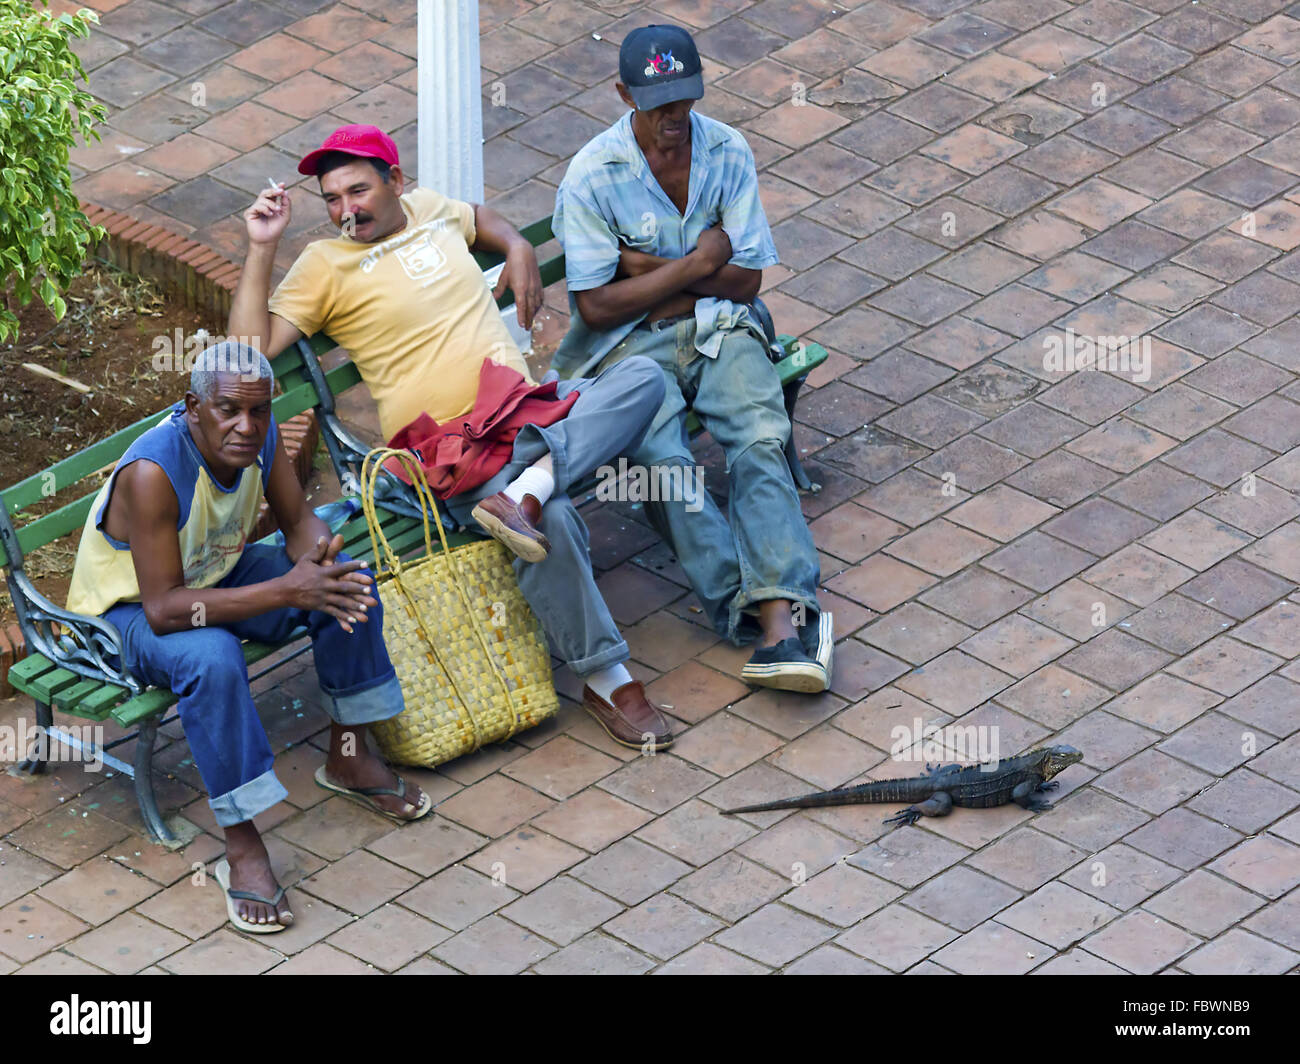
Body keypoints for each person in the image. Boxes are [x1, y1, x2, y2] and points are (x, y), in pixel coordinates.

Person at [227, 124, 676, 751]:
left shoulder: (430, 210)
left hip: (523, 414)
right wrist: (261, 246)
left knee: (644, 377)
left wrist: (517, 245)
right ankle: (607, 674)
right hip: (449, 456)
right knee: (556, 518)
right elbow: (246, 357)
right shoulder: (323, 266)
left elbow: (479, 218)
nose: (346, 209)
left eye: (358, 190)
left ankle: (528, 487)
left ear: (397, 183)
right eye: (331, 199)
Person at [64, 342, 428, 934]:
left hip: (216, 576)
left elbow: (297, 523)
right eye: (228, 410)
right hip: (129, 615)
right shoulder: (153, 473)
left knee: (350, 584)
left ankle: (351, 757)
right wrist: (289, 592)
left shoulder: (258, 439)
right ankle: (242, 843)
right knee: (213, 657)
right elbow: (164, 610)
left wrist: (320, 560)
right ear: (192, 406)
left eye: (258, 412)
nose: (247, 426)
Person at [553, 24, 833, 693]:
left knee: (760, 440)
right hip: (626, 352)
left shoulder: (728, 152)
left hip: (721, 326)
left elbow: (745, 284)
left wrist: (657, 270)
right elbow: (596, 310)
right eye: (658, 105)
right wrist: (705, 258)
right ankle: (758, 610)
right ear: (624, 94)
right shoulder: (592, 174)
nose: (673, 118)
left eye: (683, 100)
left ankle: (780, 625)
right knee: (665, 468)